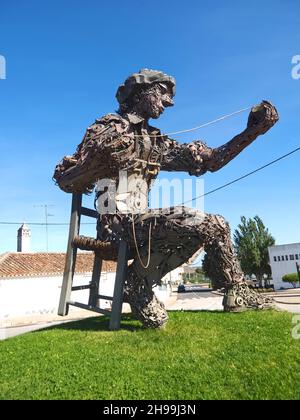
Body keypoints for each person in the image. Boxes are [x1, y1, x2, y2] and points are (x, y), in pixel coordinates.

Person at [54, 69, 279, 328]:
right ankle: (137, 285)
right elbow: (66, 180)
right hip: (116, 228)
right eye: (162, 93)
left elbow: (211, 161)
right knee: (203, 222)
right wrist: (99, 158)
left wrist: (252, 131)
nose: (169, 102)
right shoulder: (106, 129)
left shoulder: (155, 142)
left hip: (140, 223)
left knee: (216, 224)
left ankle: (231, 293)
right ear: (141, 92)